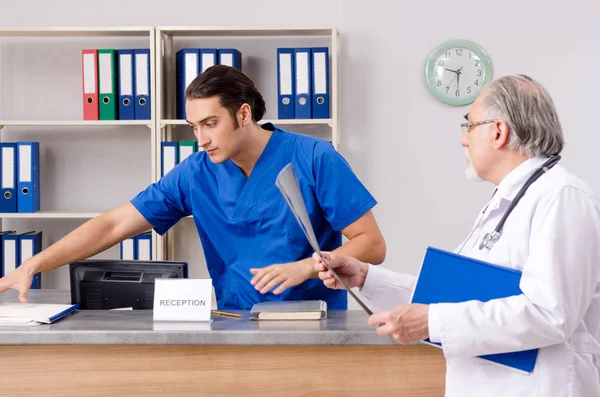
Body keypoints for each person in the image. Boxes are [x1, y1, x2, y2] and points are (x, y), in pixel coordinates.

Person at [0, 65, 386, 310]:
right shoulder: (195, 173)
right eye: (193, 127)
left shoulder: (315, 158)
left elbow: (371, 243)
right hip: (233, 321)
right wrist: (32, 265)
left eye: (210, 123)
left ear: (243, 113)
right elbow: (113, 225)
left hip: (312, 325)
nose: (201, 138)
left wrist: (304, 268)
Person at [314, 74, 600, 396]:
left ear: (498, 131)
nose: (464, 140)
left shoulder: (561, 196)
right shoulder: (505, 203)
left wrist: (433, 321)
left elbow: (550, 314)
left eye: (469, 126)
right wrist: (365, 278)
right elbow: (454, 299)